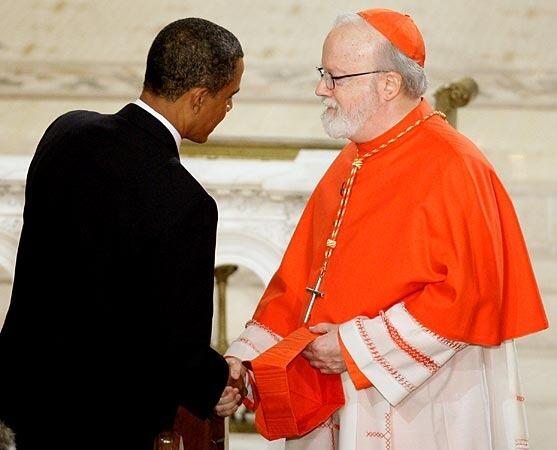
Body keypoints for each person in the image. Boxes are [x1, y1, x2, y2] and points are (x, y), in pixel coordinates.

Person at [224, 8, 548, 449]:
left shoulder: (454, 165)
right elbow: (303, 278)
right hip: (341, 391)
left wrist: (355, 346)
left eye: (335, 77)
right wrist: (242, 359)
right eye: (324, 74)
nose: (321, 89)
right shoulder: (355, 157)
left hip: (429, 398)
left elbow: (466, 296)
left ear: (388, 84)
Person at [0, 18, 243, 450]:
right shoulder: (187, 202)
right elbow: (177, 346)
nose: (227, 111)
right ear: (198, 98)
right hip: (108, 423)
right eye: (229, 99)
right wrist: (218, 382)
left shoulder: (66, 131)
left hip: (28, 399)